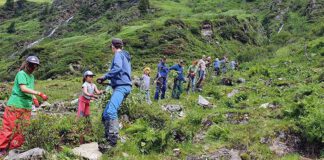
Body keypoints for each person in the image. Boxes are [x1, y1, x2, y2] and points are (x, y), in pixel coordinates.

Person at [0, 56, 48, 156]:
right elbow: (23, 88)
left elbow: (29, 89)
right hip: (15, 105)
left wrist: (34, 98)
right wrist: (39, 94)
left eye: (35, 66)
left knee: (22, 129)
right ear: (26, 64)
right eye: (31, 65)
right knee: (9, 127)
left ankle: (15, 148)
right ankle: (2, 148)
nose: (32, 67)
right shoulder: (21, 74)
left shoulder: (32, 77)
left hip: (26, 107)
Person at [96, 38, 132, 148]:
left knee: (111, 111)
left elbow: (117, 68)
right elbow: (122, 74)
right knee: (106, 113)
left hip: (121, 87)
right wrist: (109, 82)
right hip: (123, 86)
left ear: (113, 46)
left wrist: (105, 76)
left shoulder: (117, 54)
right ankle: (107, 137)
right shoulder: (125, 56)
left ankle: (113, 140)